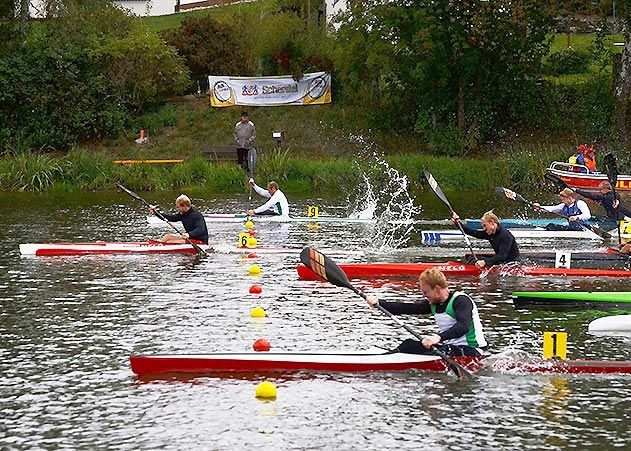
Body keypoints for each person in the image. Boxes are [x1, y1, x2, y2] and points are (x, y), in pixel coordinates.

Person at [366, 267, 487, 356]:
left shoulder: (461, 300)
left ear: (437, 289)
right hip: (451, 348)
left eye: (425, 292)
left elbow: (463, 326)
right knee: (408, 344)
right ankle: (385, 358)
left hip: (473, 350)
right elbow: (407, 308)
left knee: (434, 353)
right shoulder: (433, 303)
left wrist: (438, 337)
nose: (424, 295)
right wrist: (379, 303)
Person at [451, 210, 520, 268]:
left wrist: (485, 262)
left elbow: (502, 256)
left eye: (485, 225)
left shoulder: (506, 236)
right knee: (470, 257)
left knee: (476, 260)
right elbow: (472, 232)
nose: (484, 229)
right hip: (501, 260)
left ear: (492, 223)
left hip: (511, 263)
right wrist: (458, 223)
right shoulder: (490, 233)